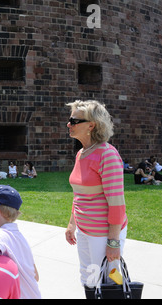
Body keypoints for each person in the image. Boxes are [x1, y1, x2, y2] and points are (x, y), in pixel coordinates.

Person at [64, 100, 128, 294]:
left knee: (109, 282)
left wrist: (113, 243)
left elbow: (116, 203)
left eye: (74, 120)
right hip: (84, 230)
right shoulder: (81, 153)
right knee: (88, 276)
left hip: (103, 234)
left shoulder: (107, 155)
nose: (69, 124)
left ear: (91, 125)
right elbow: (79, 195)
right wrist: (72, 223)